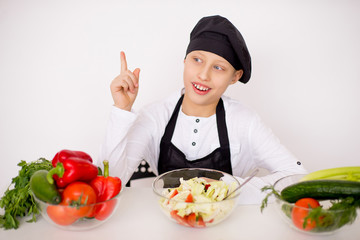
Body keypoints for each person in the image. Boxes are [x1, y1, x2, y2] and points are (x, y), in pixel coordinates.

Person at [100, 15, 306, 204]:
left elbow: (297, 177)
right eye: (197, 60)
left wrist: (230, 186)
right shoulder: (154, 116)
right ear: (185, 60)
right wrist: (122, 109)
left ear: (235, 76)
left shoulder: (245, 122)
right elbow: (109, 181)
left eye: (219, 67)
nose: (203, 75)